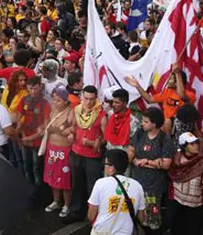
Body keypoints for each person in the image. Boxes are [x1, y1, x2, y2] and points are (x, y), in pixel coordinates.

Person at [63, 85, 107, 224]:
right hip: (76, 152)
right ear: (82, 97)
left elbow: (106, 137)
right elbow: (73, 127)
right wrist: (71, 134)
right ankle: (76, 211)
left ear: (96, 99)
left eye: (92, 99)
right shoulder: (77, 110)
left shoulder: (101, 114)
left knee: (92, 186)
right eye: (86, 98)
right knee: (76, 184)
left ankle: (94, 215)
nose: (88, 102)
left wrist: (94, 142)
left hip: (92, 156)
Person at [128, 106, 174, 234]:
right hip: (138, 181)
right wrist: (135, 160)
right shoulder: (139, 133)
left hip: (154, 185)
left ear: (154, 124)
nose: (143, 123)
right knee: (137, 214)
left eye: (146, 122)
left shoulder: (164, 139)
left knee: (153, 217)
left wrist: (147, 162)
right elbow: (131, 151)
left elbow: (166, 164)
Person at [87, 148, 146, 235]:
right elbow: (141, 218)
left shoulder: (100, 183)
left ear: (112, 167)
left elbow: (91, 216)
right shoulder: (137, 186)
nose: (104, 167)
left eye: (105, 164)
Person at [41, 86, 73, 217]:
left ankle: (67, 205)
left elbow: (71, 132)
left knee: (65, 180)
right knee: (53, 177)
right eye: (54, 100)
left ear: (66, 101)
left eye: (58, 100)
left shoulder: (71, 112)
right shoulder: (53, 110)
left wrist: (58, 130)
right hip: (51, 149)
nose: (55, 103)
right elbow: (48, 127)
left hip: (64, 151)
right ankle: (56, 201)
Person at [168, 132, 203, 235]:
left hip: (195, 205)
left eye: (196, 143)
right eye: (192, 144)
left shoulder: (202, 161)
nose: (196, 146)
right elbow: (172, 173)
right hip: (177, 201)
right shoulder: (176, 159)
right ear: (184, 146)